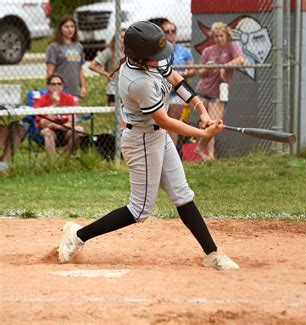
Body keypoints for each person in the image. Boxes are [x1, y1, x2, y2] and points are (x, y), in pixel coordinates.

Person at [57, 21, 239, 270]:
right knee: (139, 210)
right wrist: (202, 132)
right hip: (141, 140)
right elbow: (164, 120)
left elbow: (176, 80)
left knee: (182, 194)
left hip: (158, 136)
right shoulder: (136, 81)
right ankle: (77, 236)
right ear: (139, 57)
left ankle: (212, 253)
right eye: (154, 56)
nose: (159, 60)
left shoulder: (152, 60)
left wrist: (201, 108)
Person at [194, 21, 244, 161]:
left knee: (215, 123)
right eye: (215, 36)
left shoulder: (232, 47)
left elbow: (240, 60)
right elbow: (201, 73)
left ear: (226, 35)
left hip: (219, 92)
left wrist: (224, 66)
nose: (218, 39)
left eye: (221, 35)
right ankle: (209, 156)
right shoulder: (208, 51)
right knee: (207, 123)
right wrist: (209, 68)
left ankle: (201, 149)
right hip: (203, 90)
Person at [157, 19, 196, 147]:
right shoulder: (158, 51)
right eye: (167, 32)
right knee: (160, 123)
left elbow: (192, 71)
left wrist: (182, 75)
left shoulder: (184, 51)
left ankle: (171, 151)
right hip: (161, 91)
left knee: (172, 122)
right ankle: (160, 149)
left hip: (178, 92)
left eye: (173, 31)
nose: (170, 34)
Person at [34, 73, 83, 158]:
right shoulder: (41, 100)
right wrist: (54, 104)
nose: (56, 86)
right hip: (49, 132)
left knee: (79, 130)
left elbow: (73, 121)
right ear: (48, 86)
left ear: (62, 86)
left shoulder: (69, 98)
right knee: (47, 132)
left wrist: (59, 126)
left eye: (59, 84)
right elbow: (44, 124)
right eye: (53, 84)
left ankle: (64, 160)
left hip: (65, 130)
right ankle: (53, 164)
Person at [46, 15, 86, 102]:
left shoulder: (78, 46)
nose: (70, 29)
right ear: (61, 28)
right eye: (66, 27)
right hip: (60, 90)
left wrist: (83, 86)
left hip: (74, 90)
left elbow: (80, 69)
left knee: (72, 115)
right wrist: (52, 89)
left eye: (72, 26)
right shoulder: (54, 46)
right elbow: (50, 71)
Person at [88, 29, 126, 107]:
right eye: (121, 37)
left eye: (126, 37)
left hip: (126, 89)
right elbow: (92, 65)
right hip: (113, 89)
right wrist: (106, 73)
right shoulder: (110, 51)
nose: (123, 40)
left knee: (126, 115)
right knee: (116, 115)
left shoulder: (130, 53)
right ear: (116, 38)